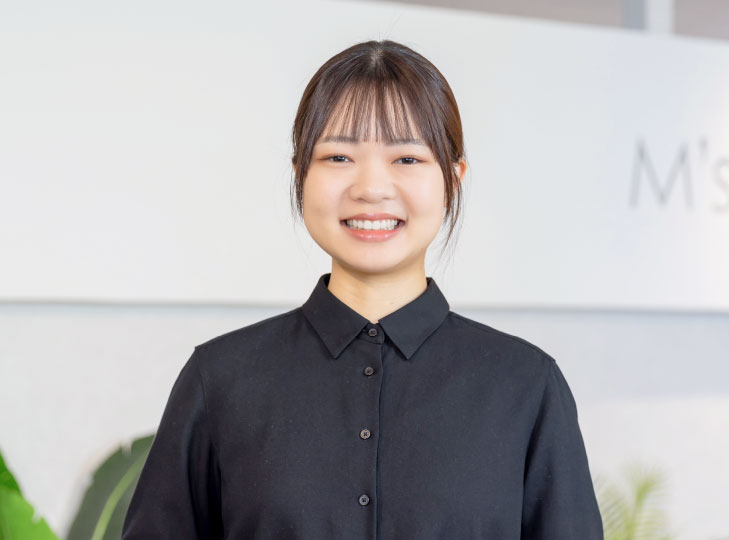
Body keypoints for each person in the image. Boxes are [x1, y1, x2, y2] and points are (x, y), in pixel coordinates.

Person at [121, 39, 603, 540]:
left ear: (453, 179)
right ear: (300, 174)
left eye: (407, 158)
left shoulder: (526, 386)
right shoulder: (220, 378)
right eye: (338, 156)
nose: (371, 188)